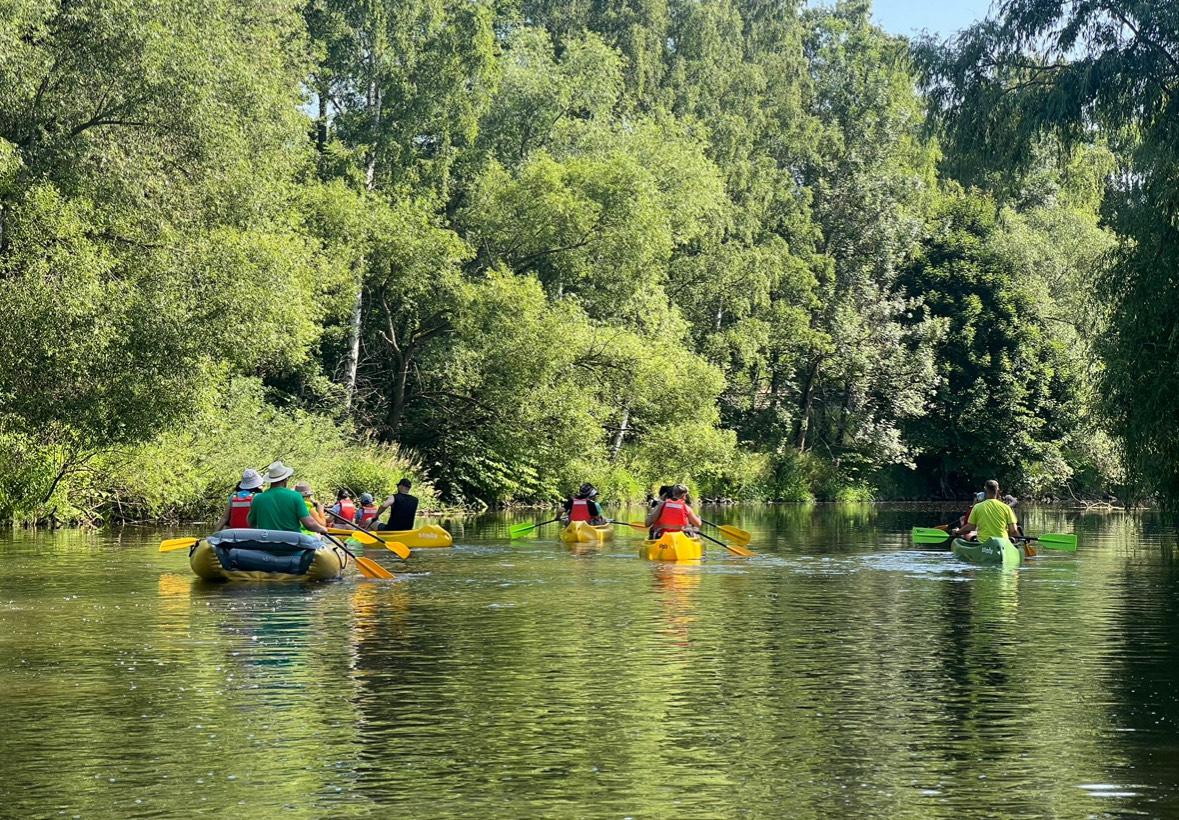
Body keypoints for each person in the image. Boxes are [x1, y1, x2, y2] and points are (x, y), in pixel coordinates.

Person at [247, 461, 331, 535]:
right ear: (285, 479)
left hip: (267, 543)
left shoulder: (257, 499)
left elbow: (251, 523)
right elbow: (309, 524)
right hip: (292, 545)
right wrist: (322, 529)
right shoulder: (295, 496)